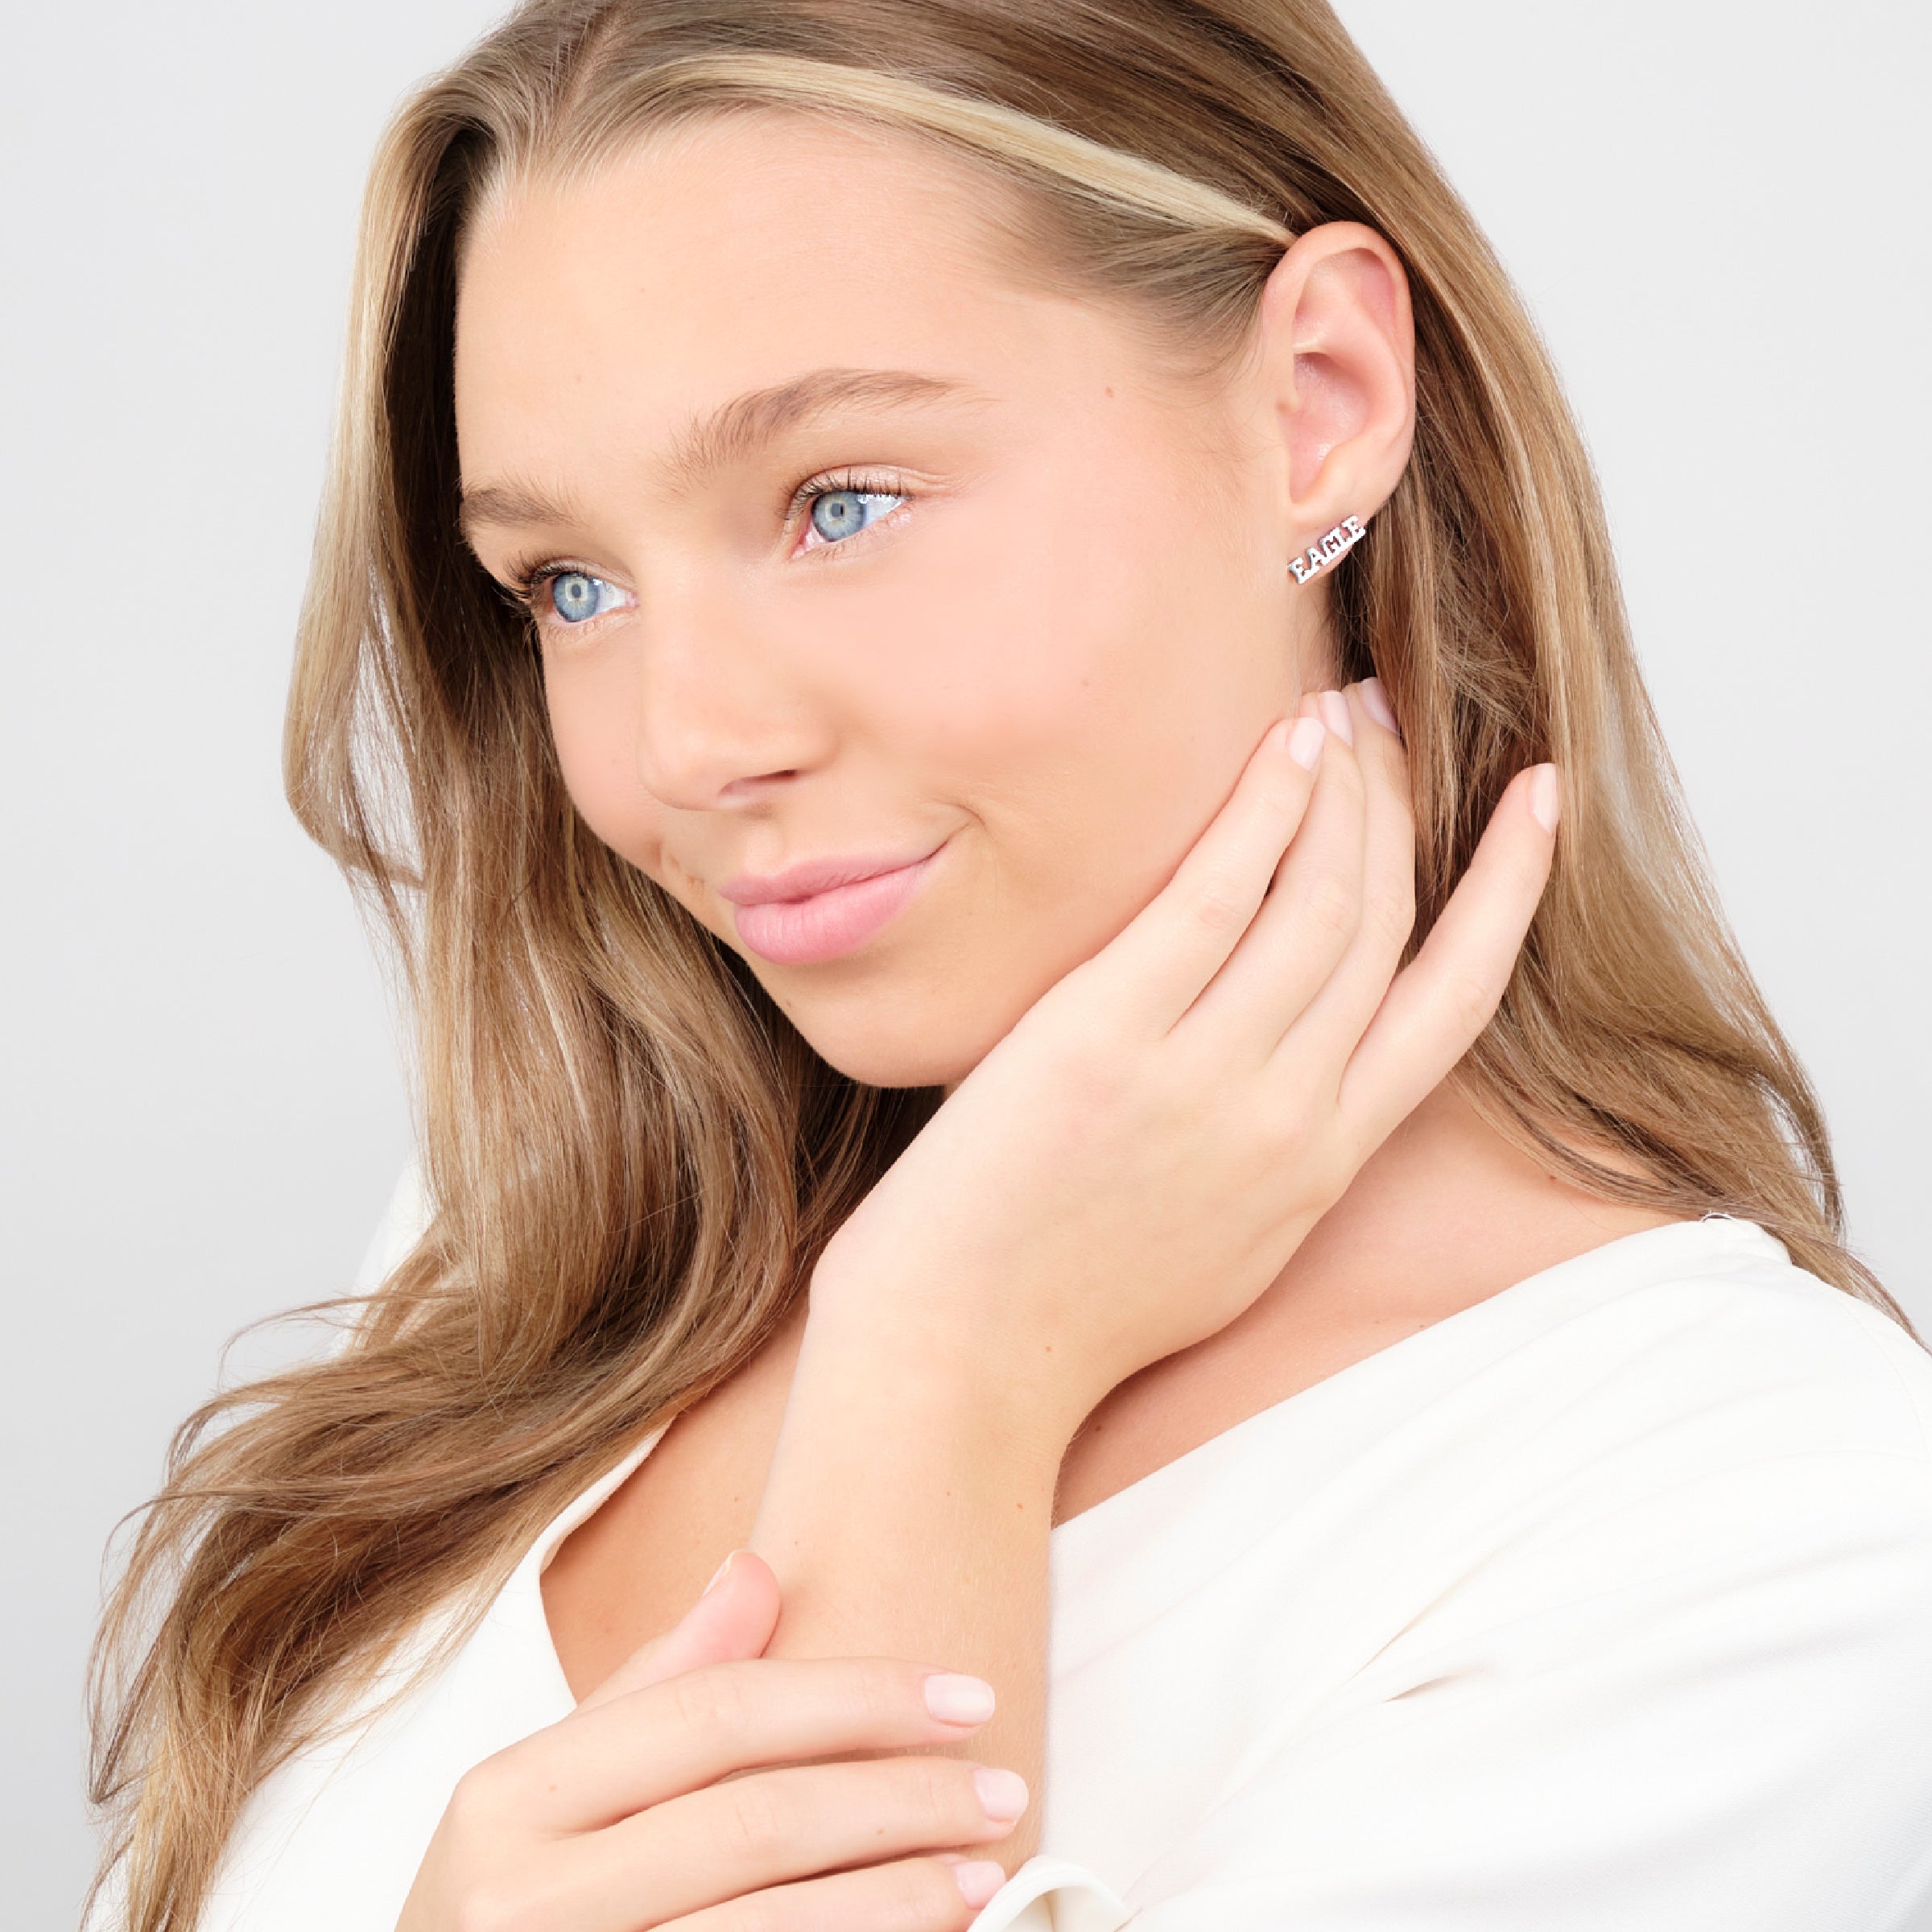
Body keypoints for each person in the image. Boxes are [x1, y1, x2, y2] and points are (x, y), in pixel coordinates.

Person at [86, 3, 1932, 1930]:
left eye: (841, 504)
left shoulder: (1750, 1518)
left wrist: (949, 1358)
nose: (684, 747)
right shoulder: (546, 1226)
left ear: (1317, 401)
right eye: (574, 586)